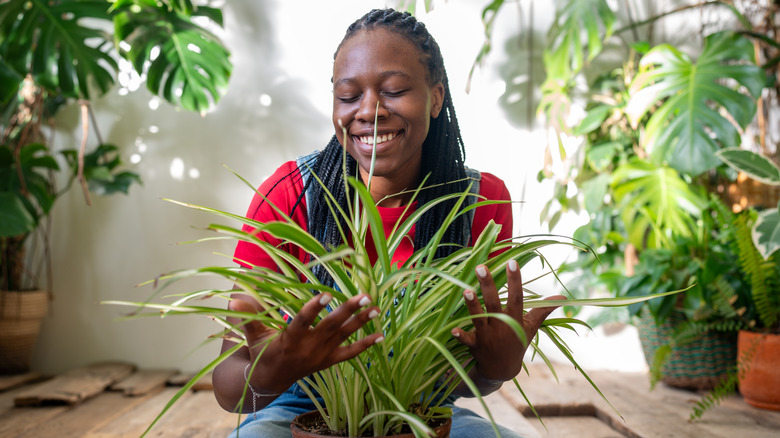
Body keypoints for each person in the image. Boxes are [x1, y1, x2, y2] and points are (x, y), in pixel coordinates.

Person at [213, 8, 562, 438]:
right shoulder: (290, 194)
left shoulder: (479, 202)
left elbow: (474, 378)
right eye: (347, 96)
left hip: (418, 413)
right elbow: (230, 389)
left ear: (435, 97)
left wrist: (497, 368)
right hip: (299, 413)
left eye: (394, 89)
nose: (368, 111)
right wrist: (274, 370)